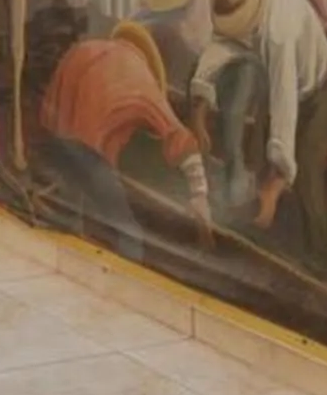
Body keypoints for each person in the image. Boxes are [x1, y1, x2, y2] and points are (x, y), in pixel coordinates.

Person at [194, 0, 327, 258]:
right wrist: (200, 106)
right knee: (259, 153)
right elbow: (223, 45)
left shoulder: (279, 29)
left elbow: (285, 102)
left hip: (317, 89)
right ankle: (264, 236)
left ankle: (322, 255)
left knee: (307, 176)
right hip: (279, 83)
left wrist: (276, 182)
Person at [37, 21, 218, 259]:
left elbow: (51, 109)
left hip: (55, 142)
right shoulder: (142, 79)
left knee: (73, 212)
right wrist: (200, 195)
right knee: (130, 233)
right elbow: (180, 138)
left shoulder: (87, 48)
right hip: (87, 152)